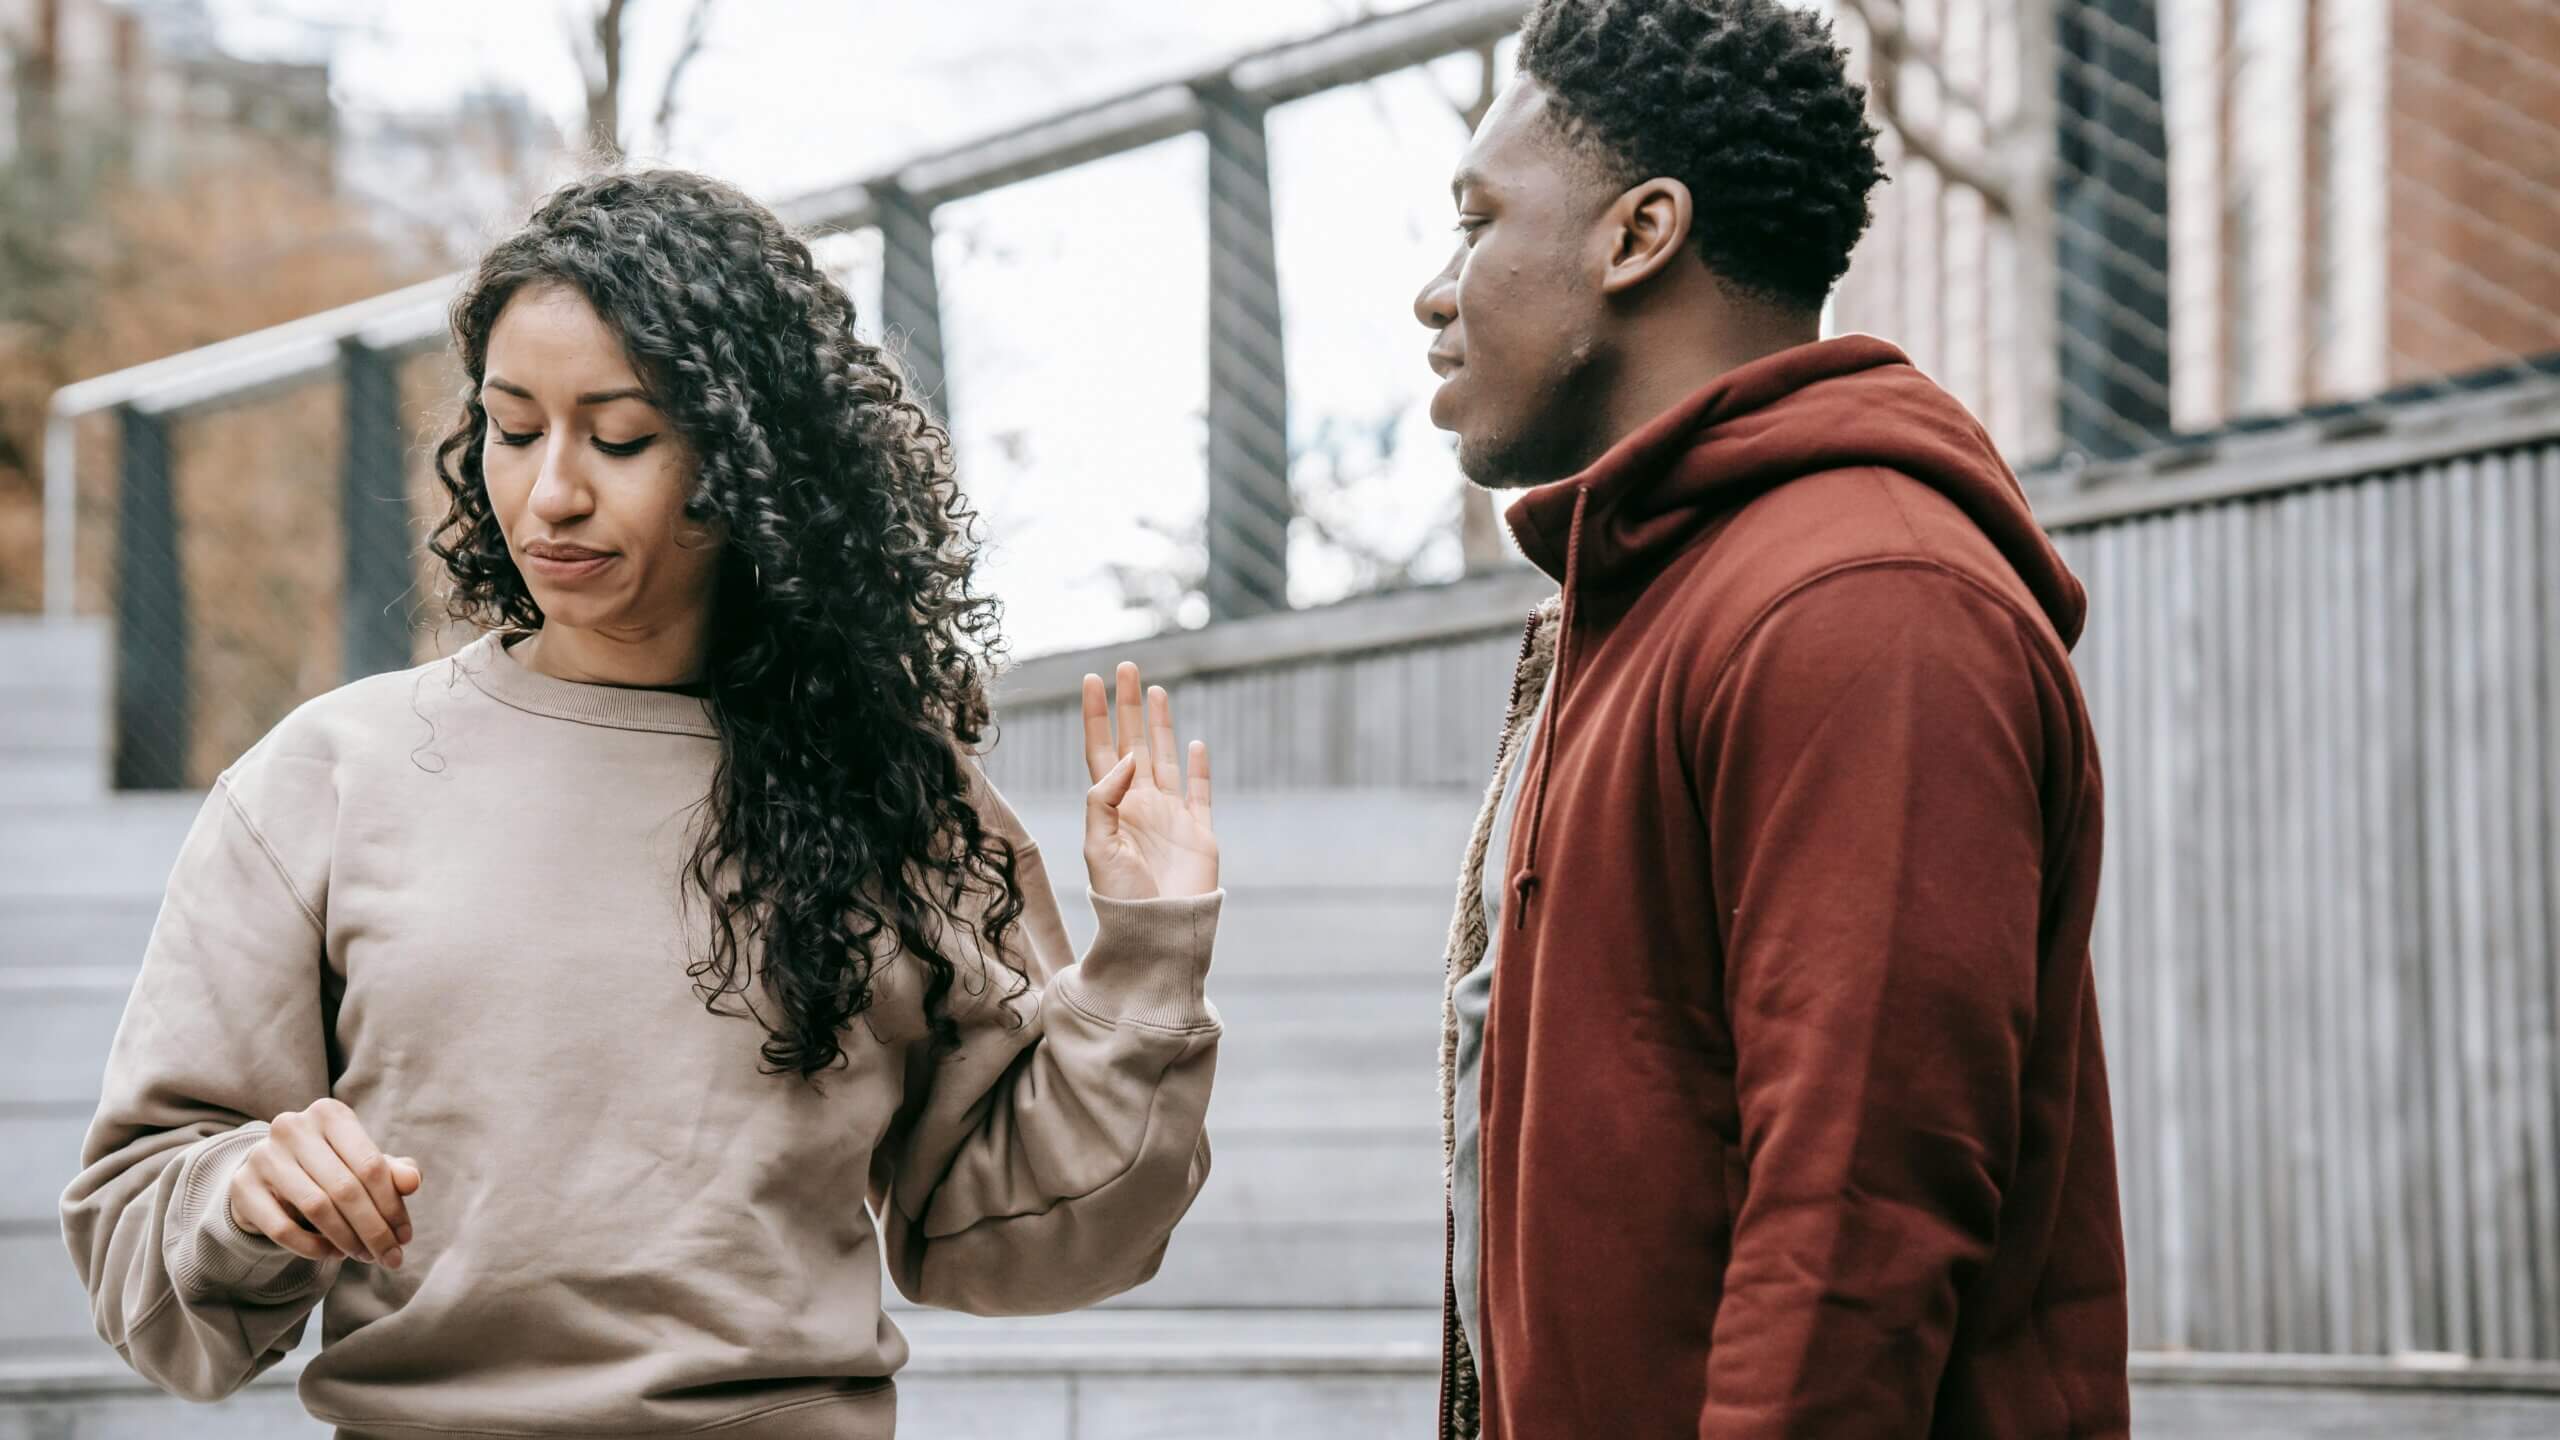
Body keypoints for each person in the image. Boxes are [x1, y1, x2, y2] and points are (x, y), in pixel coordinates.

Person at [61, 169, 1225, 1439]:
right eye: (512, 430)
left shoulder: (891, 791)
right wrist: (247, 1194)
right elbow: (138, 1250)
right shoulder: (328, 775)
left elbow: (1015, 1240)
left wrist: (1147, 958)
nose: (551, 492)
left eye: (619, 439)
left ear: (750, 458)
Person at [1416, 1, 2128, 1436]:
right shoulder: (1658, 601)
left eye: (1478, 222)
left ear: (1639, 235)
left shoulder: (1864, 604)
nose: (1439, 292)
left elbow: (1855, 1225)